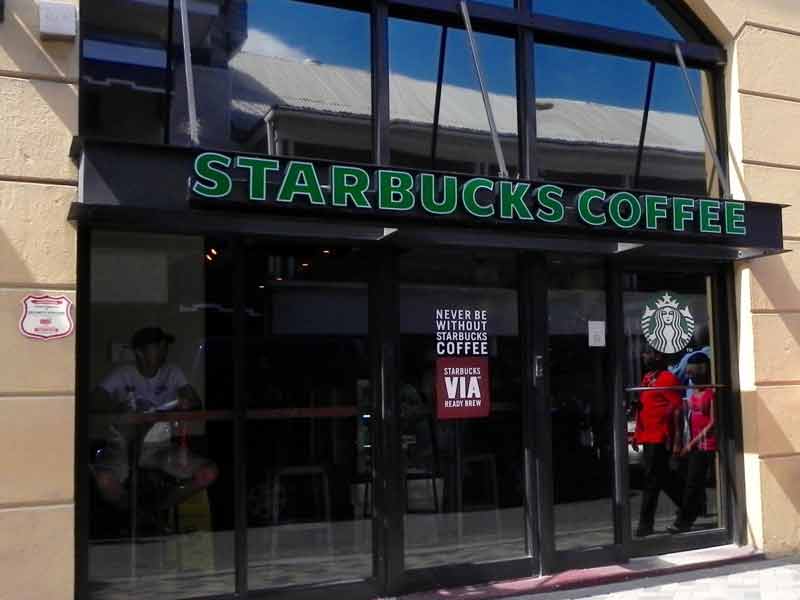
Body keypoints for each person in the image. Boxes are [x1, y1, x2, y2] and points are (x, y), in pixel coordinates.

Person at [91, 326, 218, 528]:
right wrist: (120, 410)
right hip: (122, 446)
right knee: (105, 480)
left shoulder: (172, 372)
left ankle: (156, 509)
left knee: (208, 473)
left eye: (164, 345)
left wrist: (186, 403)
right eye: (157, 346)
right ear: (140, 352)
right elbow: (95, 401)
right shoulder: (123, 373)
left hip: (159, 447)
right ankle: (134, 512)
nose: (163, 349)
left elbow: (195, 403)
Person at [632, 348, 684, 537]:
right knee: (662, 478)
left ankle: (645, 525)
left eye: (647, 353)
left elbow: (678, 408)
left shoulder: (668, 379)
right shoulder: (647, 378)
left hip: (660, 436)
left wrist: (676, 439)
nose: (643, 355)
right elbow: (643, 409)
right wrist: (637, 434)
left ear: (658, 356)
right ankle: (690, 505)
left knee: (651, 481)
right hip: (648, 436)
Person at [670, 353, 717, 533]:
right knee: (691, 480)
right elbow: (686, 416)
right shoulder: (695, 393)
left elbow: (713, 422)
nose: (690, 378)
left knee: (693, 481)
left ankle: (684, 521)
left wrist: (692, 443)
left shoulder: (710, 393)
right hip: (695, 442)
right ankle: (690, 513)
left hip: (706, 443)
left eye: (692, 375)